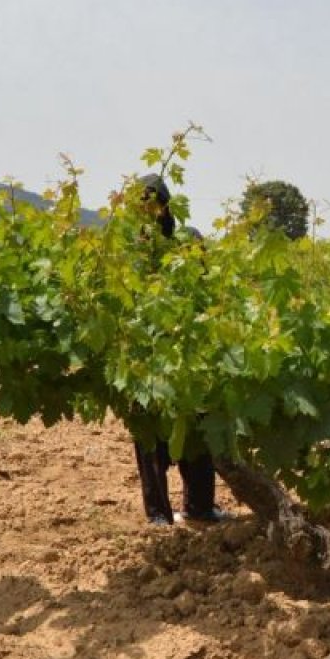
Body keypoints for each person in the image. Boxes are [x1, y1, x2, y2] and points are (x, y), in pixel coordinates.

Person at [132, 174, 228, 527]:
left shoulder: (189, 240)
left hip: (191, 351)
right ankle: (158, 513)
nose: (150, 211)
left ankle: (199, 507)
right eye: (143, 205)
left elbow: (205, 287)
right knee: (149, 437)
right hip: (146, 356)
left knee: (198, 433)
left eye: (154, 203)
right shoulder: (133, 249)